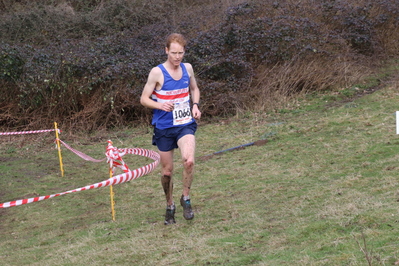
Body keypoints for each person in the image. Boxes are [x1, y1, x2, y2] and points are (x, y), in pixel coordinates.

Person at [140, 33, 201, 225]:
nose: (177, 57)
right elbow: (144, 99)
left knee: (189, 161)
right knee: (167, 171)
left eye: (181, 53)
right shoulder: (157, 72)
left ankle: (186, 198)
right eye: (173, 53)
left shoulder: (188, 68)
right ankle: (170, 204)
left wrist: (195, 105)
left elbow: (194, 89)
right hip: (164, 127)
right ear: (166, 51)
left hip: (184, 125)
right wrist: (160, 106)